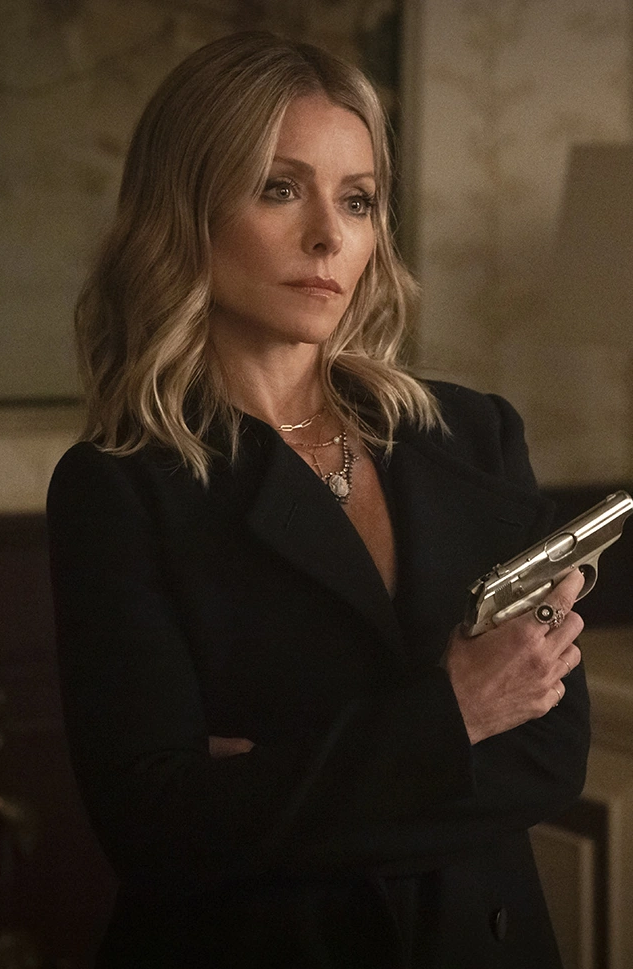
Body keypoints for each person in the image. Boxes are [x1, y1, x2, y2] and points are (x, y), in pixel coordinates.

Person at [47, 31, 589, 969]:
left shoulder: (471, 434)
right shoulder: (120, 486)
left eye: (358, 199)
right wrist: (456, 715)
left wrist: (277, 782)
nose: (329, 236)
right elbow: (160, 831)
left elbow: (550, 758)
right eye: (279, 188)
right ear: (186, 210)